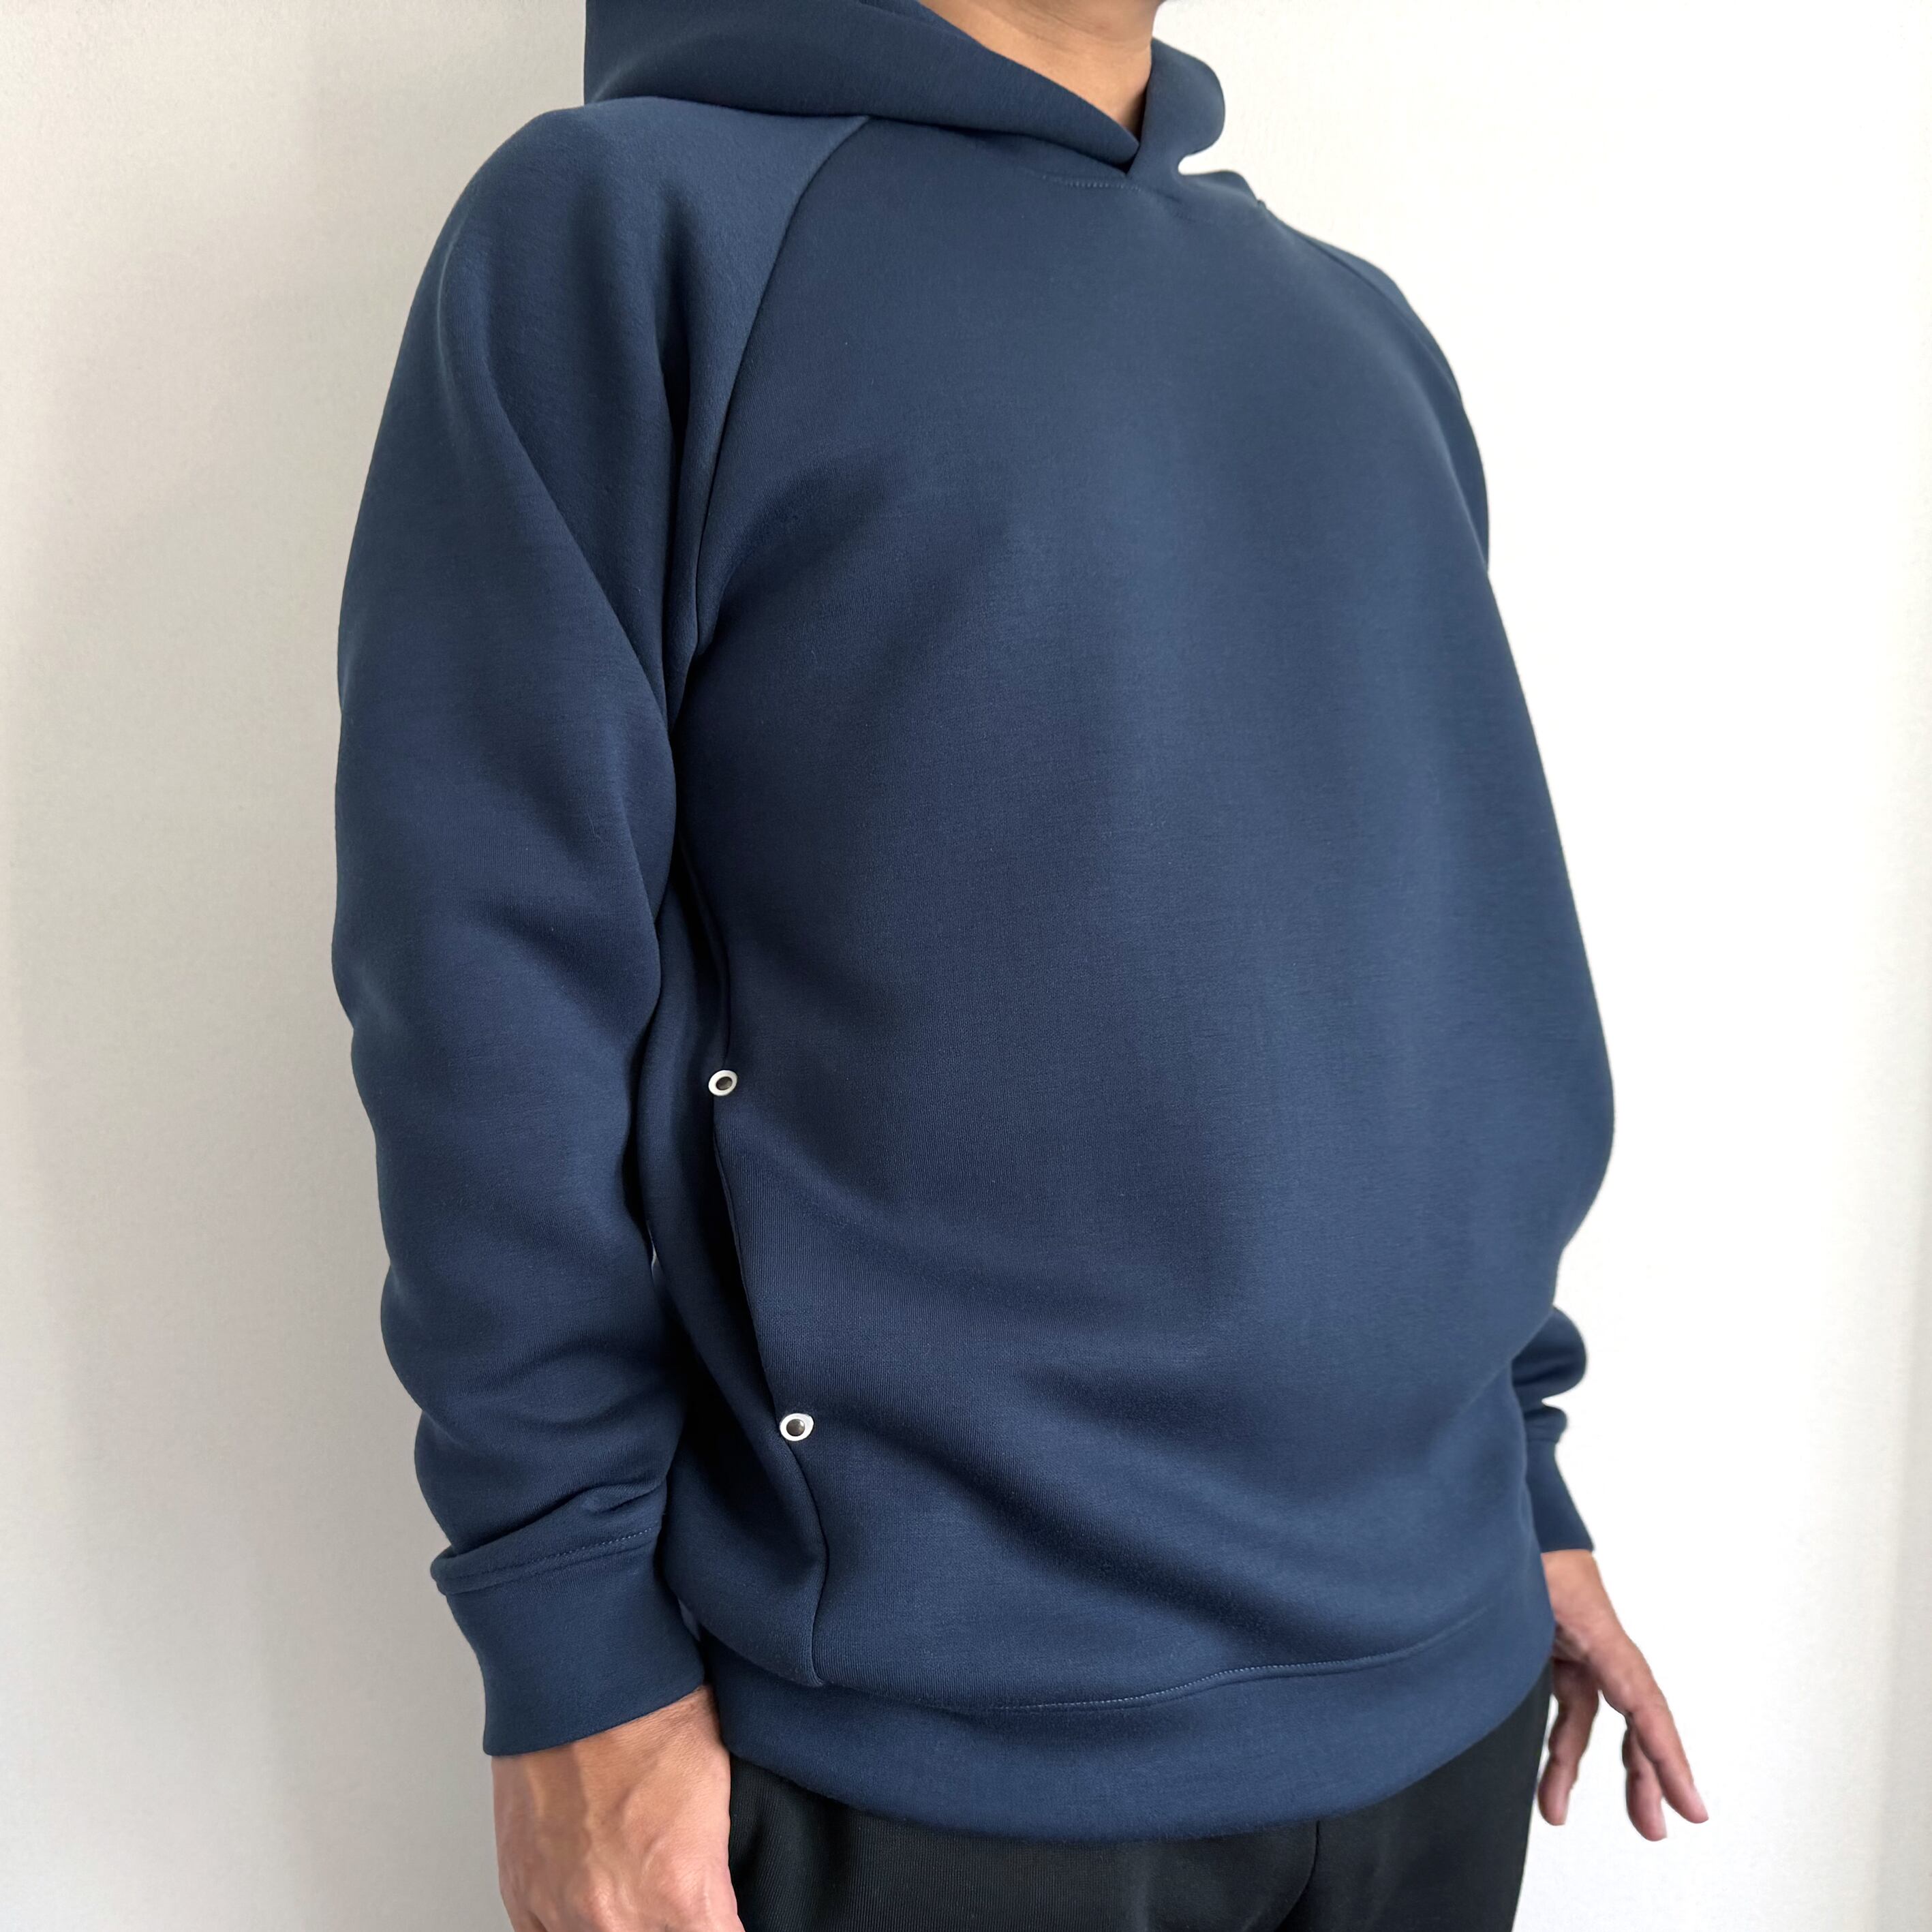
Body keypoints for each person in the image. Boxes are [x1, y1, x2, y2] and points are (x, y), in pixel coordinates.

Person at [332, 1, 1708, 1927]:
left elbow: (1447, 965)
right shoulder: (632, 229)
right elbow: (485, 984)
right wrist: (568, 1651)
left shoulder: (1353, 326)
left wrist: (1520, 1476)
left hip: (1446, 1682)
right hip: (934, 1758)